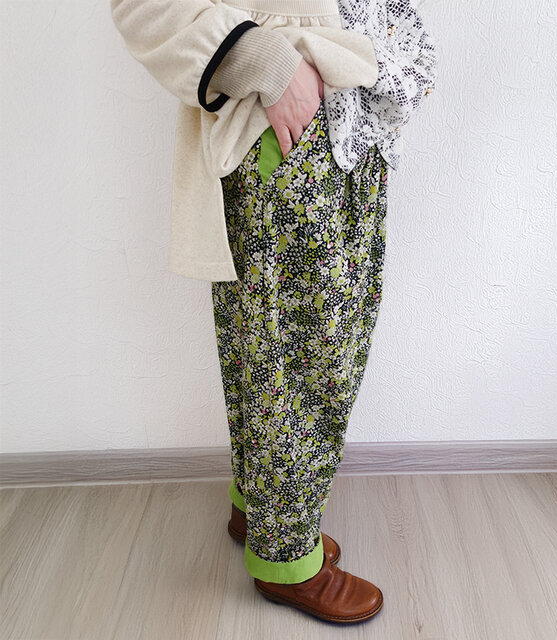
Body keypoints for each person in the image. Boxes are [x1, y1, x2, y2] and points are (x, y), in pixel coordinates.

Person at [111, 0, 436, 624]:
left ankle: (262, 509)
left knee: (288, 347)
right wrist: (270, 65)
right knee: (298, 364)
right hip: (286, 128)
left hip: (342, 127)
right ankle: (285, 558)